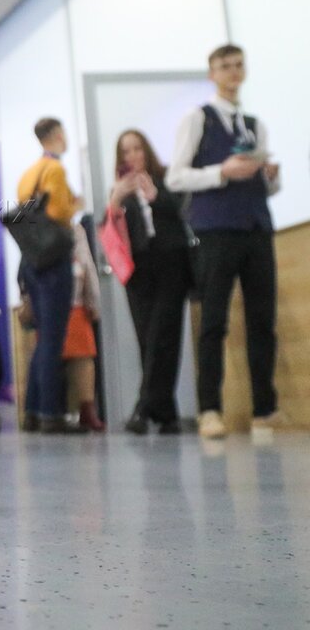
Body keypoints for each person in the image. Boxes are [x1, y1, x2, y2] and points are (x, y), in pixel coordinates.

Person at [166, 44, 282, 439]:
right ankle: (209, 409)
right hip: (215, 230)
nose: (233, 72)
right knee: (214, 320)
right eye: (225, 66)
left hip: (256, 228)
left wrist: (269, 176)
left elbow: (265, 188)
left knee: (262, 321)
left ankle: (265, 409)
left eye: (238, 65)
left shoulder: (254, 125)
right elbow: (175, 177)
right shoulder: (198, 119)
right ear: (212, 73)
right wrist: (221, 172)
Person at [109, 130, 192, 435]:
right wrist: (116, 198)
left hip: (171, 263)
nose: (132, 155)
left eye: (137, 148)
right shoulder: (120, 189)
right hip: (138, 269)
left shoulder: (167, 177)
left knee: (165, 336)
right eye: (126, 151)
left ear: (147, 150)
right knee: (148, 339)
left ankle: (143, 409)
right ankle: (167, 413)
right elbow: (110, 230)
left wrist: (156, 196)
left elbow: (182, 211)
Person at [17, 118, 83, 433]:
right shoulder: (55, 170)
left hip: (32, 260)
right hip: (54, 260)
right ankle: (51, 414)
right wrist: (75, 205)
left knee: (43, 338)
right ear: (57, 134)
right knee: (53, 339)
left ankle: (33, 410)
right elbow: (57, 212)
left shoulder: (28, 174)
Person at [62, 228, 102, 432]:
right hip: (74, 300)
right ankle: (84, 411)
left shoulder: (35, 223)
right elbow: (86, 265)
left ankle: (71, 412)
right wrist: (93, 301)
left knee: (70, 359)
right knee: (83, 360)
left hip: (61, 302)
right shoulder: (74, 229)